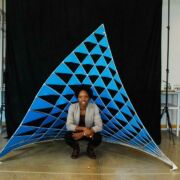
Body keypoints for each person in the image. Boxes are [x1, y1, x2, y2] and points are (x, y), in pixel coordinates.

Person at [65, 86, 103, 159]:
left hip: (89, 133)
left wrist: (84, 133)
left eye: (85, 96)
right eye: (80, 97)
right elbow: (68, 125)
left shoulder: (94, 107)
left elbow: (99, 126)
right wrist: (84, 128)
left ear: (89, 97)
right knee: (67, 136)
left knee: (98, 137)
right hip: (77, 132)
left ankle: (90, 149)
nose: (83, 99)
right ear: (77, 98)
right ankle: (76, 148)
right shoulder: (72, 107)